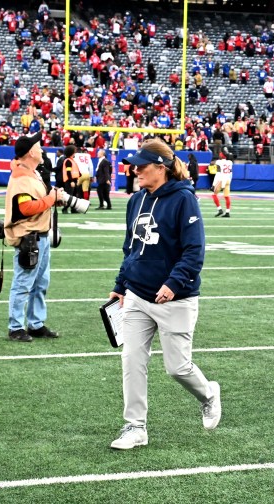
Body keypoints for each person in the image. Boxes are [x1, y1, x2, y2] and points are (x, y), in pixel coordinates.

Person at [108, 138, 221, 451]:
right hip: (137, 296)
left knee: (178, 367)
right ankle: (135, 427)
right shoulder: (136, 200)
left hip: (176, 299)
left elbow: (194, 250)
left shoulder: (184, 199)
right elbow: (131, 249)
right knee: (131, 360)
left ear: (162, 167)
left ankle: (209, 394)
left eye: (142, 165)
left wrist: (173, 283)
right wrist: (120, 285)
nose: (136, 170)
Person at [4, 132, 64, 342]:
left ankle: (36, 324)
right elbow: (26, 208)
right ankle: (16, 327)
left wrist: (52, 200)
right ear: (30, 151)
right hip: (29, 237)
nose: (42, 148)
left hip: (40, 235)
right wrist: (51, 198)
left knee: (40, 282)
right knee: (23, 283)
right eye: (38, 145)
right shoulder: (22, 177)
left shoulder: (31, 173)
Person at [211, 151, 234, 217]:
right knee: (227, 196)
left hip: (221, 180)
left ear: (221, 156)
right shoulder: (230, 162)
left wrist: (213, 185)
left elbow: (217, 173)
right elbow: (230, 173)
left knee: (214, 194)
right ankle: (227, 212)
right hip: (228, 180)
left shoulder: (219, 162)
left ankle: (219, 209)